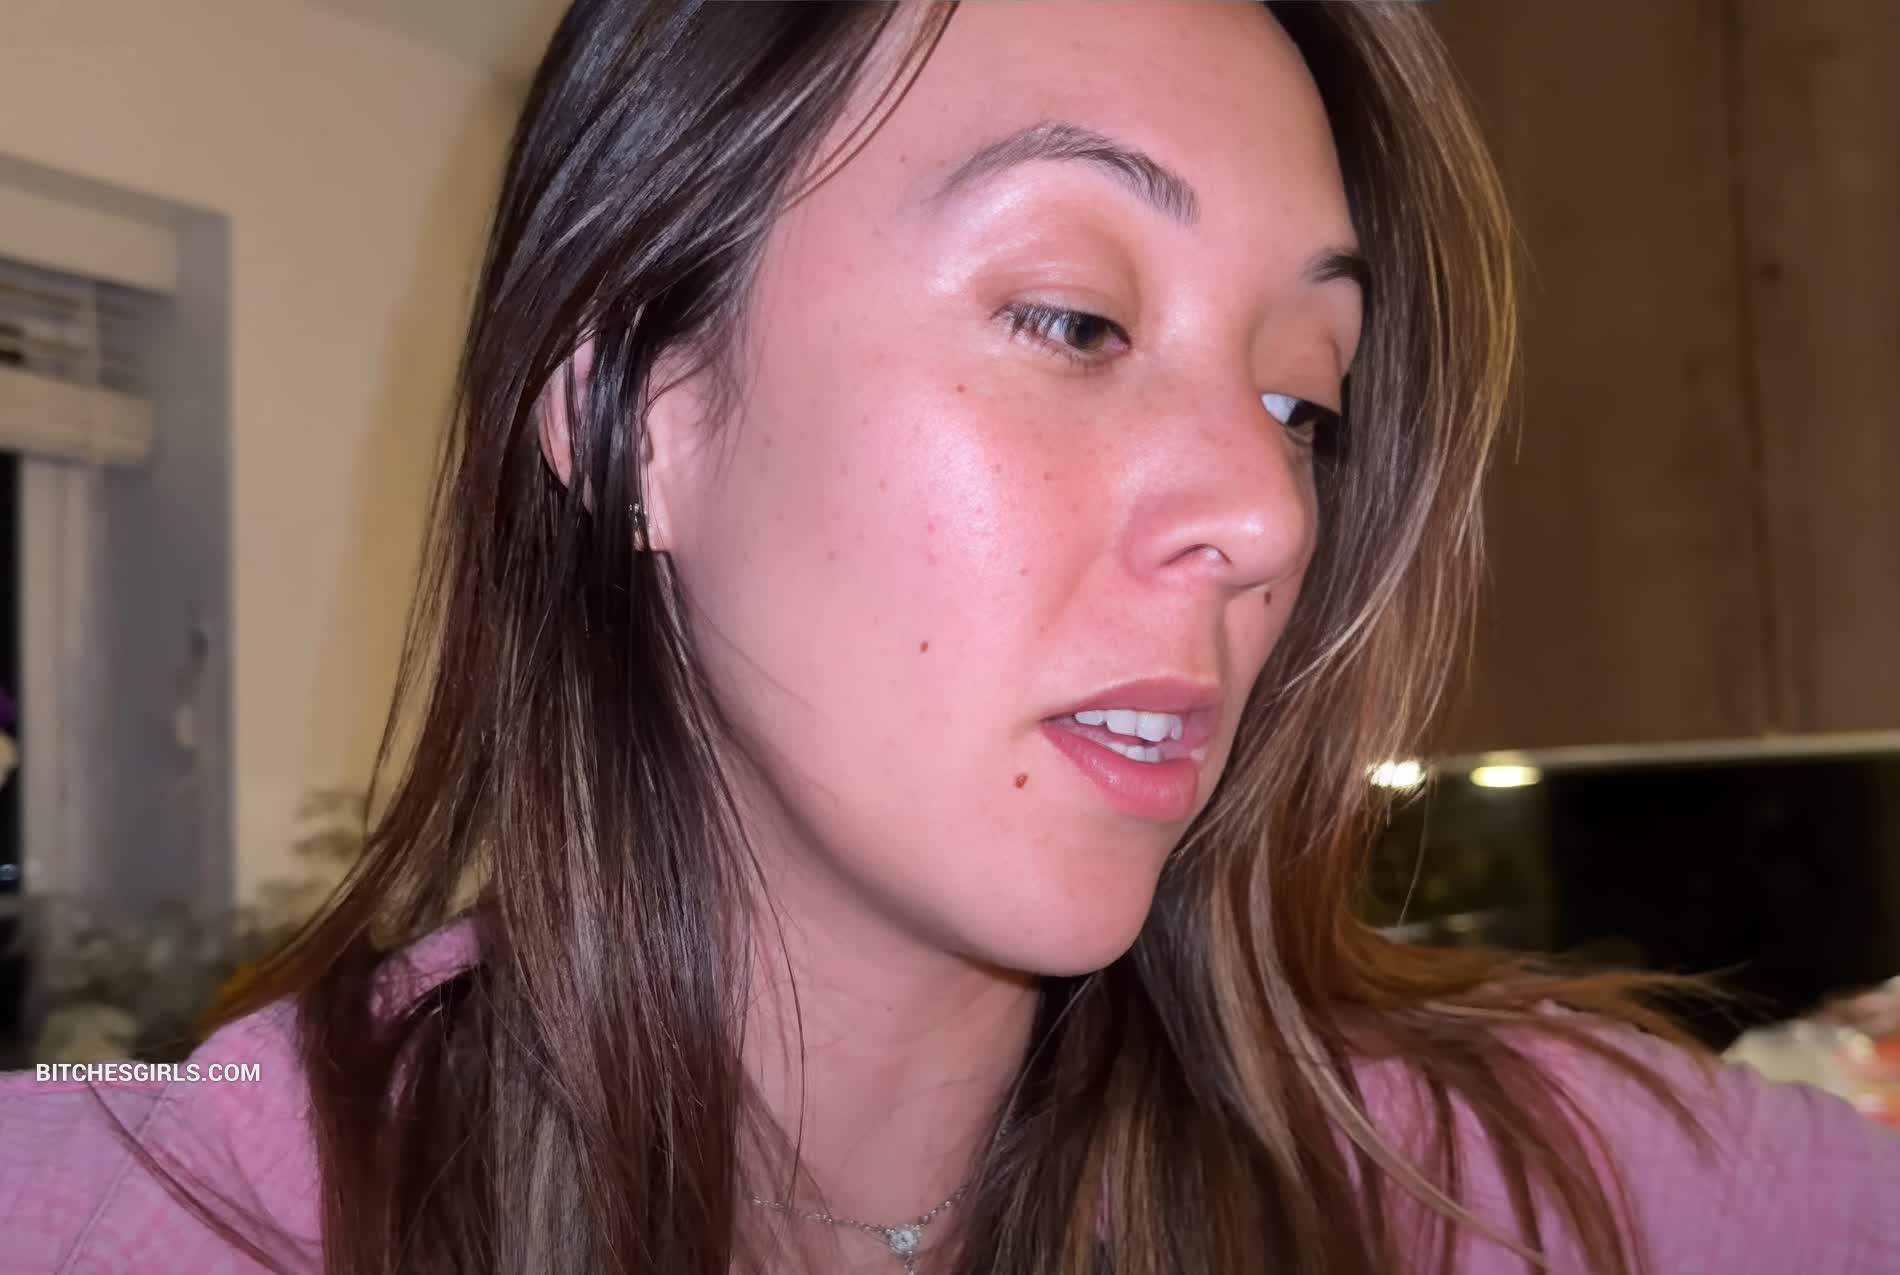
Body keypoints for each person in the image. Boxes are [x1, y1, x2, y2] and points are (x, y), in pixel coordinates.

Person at [4, 2, 1897, 1272]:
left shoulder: (1493, 1179)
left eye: (1301, 398)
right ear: (626, 415)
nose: (1264, 512)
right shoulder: (148, 1212)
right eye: (1075, 320)